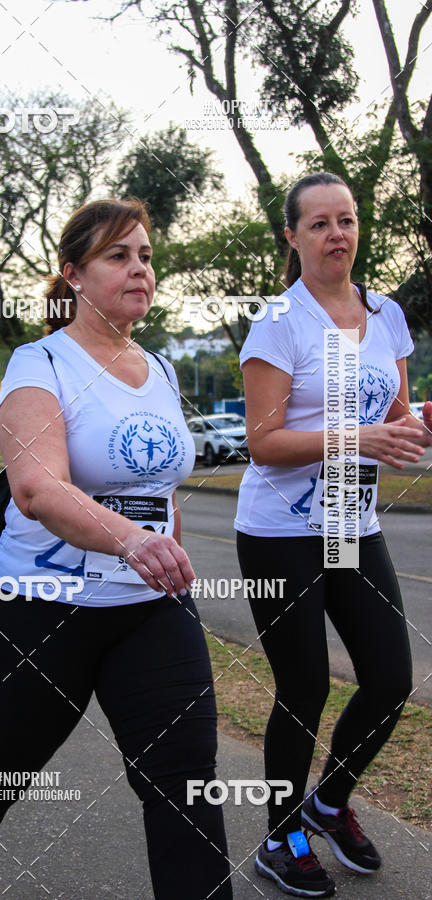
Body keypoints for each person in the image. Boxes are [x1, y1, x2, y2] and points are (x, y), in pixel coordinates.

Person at [0, 199, 234, 900]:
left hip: (150, 610)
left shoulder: (159, 367)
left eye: (146, 256)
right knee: (12, 756)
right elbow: (36, 488)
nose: (139, 270)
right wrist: (130, 540)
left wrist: (165, 565)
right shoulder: (38, 364)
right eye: (117, 256)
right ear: (73, 274)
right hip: (40, 606)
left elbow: (161, 490)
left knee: (184, 781)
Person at [234, 172, 432, 898]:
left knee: (389, 678)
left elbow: (396, 410)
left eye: (345, 220)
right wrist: (358, 437)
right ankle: (280, 838)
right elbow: (262, 442)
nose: (336, 234)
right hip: (281, 531)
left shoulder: (385, 314)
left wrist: (417, 424)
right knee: (305, 685)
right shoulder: (279, 321)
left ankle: (329, 800)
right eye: (318, 224)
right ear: (291, 236)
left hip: (354, 522)